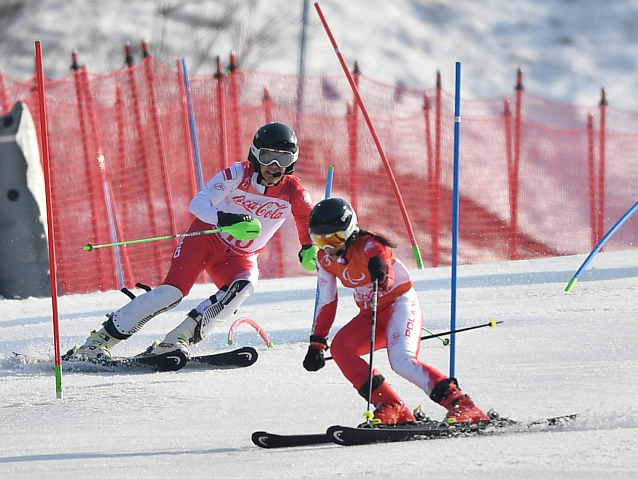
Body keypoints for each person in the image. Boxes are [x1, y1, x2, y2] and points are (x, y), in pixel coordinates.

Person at [70, 122, 317, 360]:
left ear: (292, 161)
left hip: (240, 256)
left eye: (283, 159)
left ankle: (178, 339)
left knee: (244, 286)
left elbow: (307, 220)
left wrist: (309, 248)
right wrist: (225, 219)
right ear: (254, 155)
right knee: (171, 293)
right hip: (206, 239)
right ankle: (99, 341)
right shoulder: (237, 174)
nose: (274, 166)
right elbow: (197, 204)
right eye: (267, 157)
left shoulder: (293, 191)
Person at [302, 198, 490, 425]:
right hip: (370, 315)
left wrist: (381, 273)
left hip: (399, 306)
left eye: (335, 238)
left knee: (402, 360)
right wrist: (317, 342)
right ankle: (392, 406)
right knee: (342, 348)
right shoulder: (324, 259)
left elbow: (384, 266)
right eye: (320, 241)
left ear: (349, 232)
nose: (329, 248)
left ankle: (462, 405)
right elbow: (326, 301)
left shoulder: (369, 244)